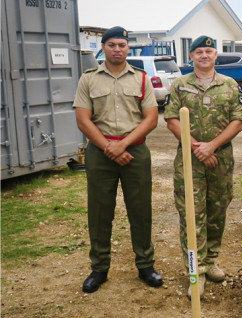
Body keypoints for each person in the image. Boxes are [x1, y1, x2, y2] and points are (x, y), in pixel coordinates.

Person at [73, 26, 163, 293]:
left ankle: (146, 265)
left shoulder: (142, 79)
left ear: (127, 48)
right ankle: (99, 268)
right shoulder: (88, 79)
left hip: (134, 151)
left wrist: (122, 144)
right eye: (111, 45)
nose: (117, 49)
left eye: (122, 45)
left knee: (140, 210)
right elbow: (82, 119)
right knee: (100, 212)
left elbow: (151, 118)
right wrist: (108, 147)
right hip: (100, 154)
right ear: (103, 47)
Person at [163, 35, 242, 298]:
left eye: (209, 51)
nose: (204, 55)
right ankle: (194, 271)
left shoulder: (230, 85)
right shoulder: (179, 85)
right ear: (191, 56)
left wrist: (212, 147)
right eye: (199, 52)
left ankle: (211, 261)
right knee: (191, 214)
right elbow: (172, 119)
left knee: (217, 211)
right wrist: (198, 147)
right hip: (190, 161)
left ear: (215, 55)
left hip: (220, 160)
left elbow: (238, 120)